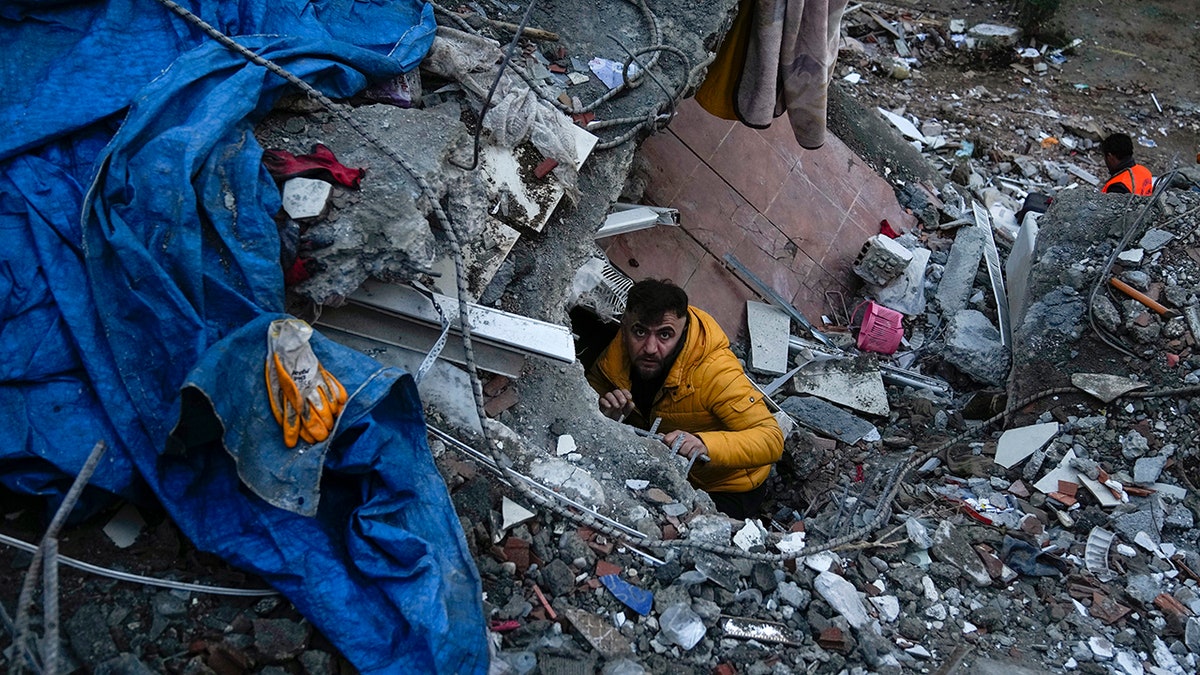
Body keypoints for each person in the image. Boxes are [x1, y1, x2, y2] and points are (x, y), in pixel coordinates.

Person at [587, 279, 784, 519]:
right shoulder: (617, 355)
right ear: (625, 325)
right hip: (664, 468)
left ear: (683, 331)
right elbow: (587, 396)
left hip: (727, 487)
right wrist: (604, 413)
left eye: (665, 335)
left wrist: (704, 444)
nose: (650, 347)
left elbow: (771, 438)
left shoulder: (715, 371)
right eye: (640, 332)